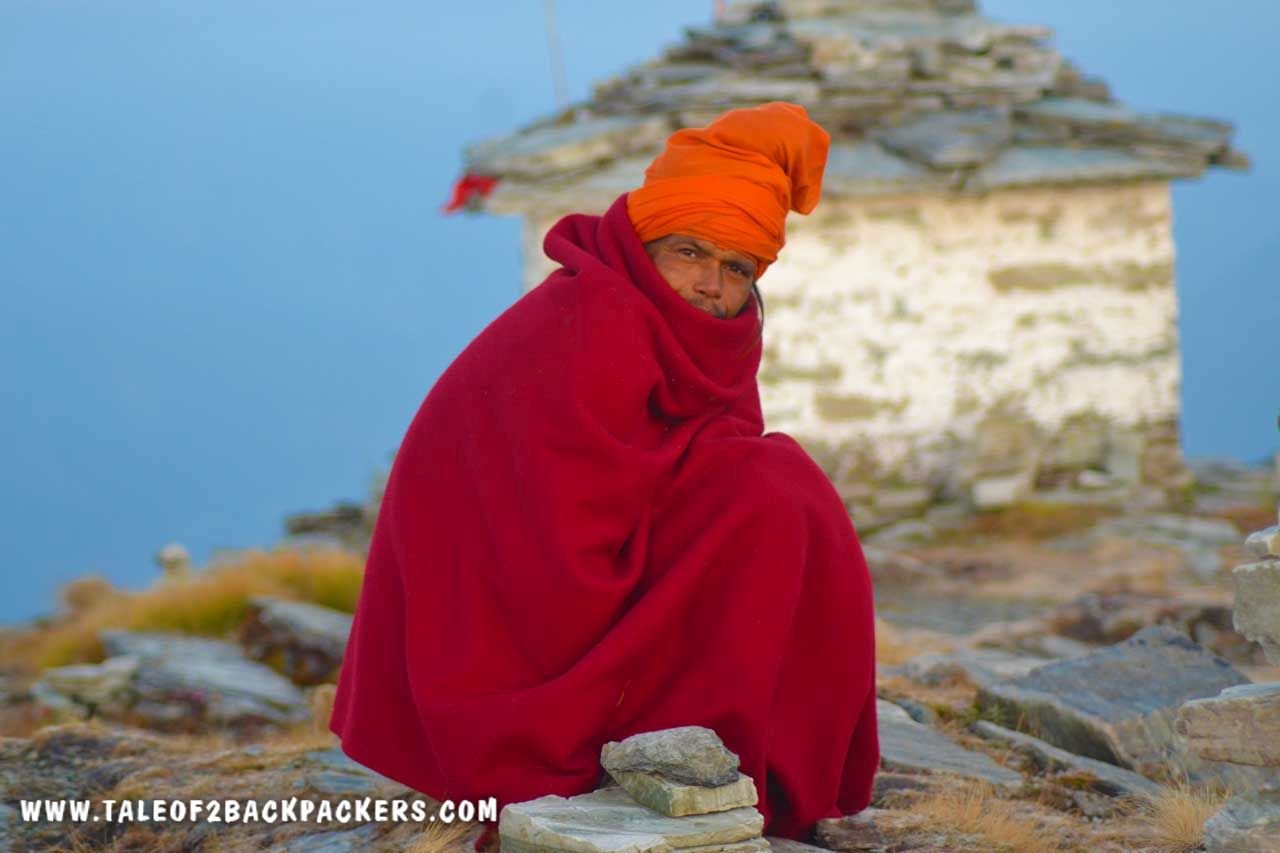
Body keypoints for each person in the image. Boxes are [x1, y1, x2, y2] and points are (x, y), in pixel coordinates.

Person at [329, 101, 879, 845]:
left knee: (775, 485)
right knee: (769, 494)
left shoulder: (703, 337)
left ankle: (747, 759)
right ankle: (694, 753)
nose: (711, 285)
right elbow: (556, 550)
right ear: (645, 240)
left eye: (737, 266)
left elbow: (697, 470)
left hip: (585, 588)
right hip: (502, 641)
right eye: (690, 251)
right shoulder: (595, 321)